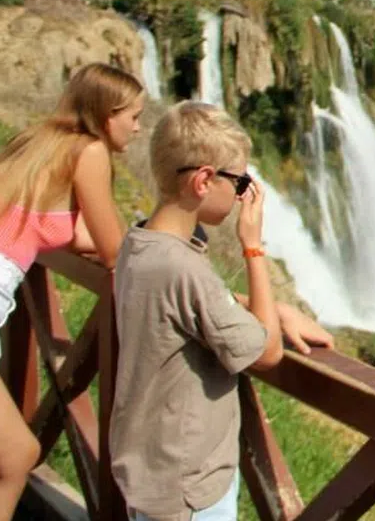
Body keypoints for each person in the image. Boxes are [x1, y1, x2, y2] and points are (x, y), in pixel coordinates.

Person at [109, 101, 334, 521]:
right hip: (189, 486)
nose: (243, 194)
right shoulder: (183, 268)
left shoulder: (140, 243)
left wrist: (274, 309)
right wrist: (253, 246)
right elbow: (267, 352)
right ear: (203, 181)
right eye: (240, 181)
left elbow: (194, 304)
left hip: (151, 469)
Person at [0, 62, 144, 521]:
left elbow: (63, 230)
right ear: (108, 115)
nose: (138, 128)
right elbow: (114, 252)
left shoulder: (35, 142)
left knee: (16, 455)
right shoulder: (89, 152)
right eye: (133, 116)